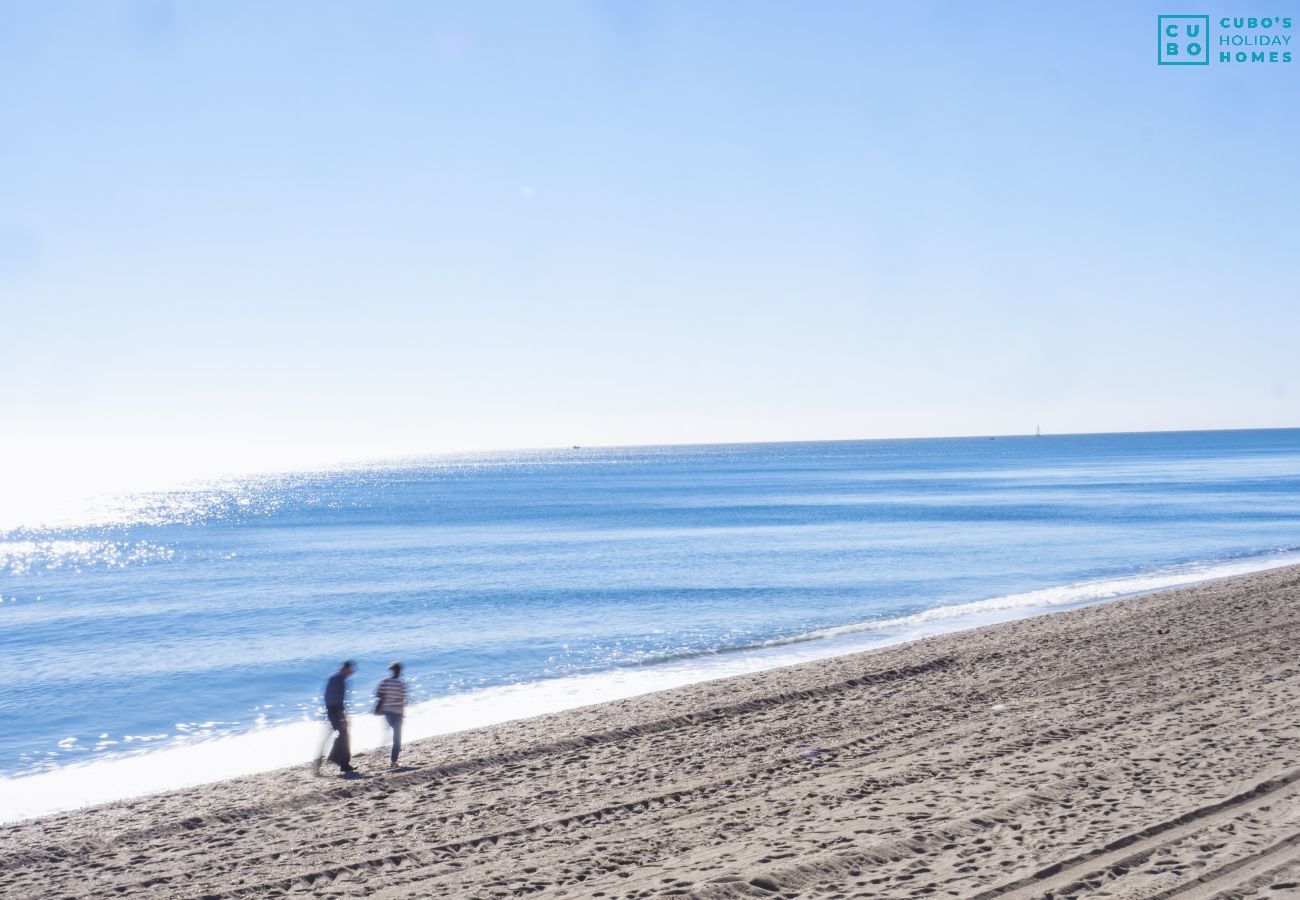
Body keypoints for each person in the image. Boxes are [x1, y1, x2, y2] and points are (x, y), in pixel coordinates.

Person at [318, 660, 357, 775]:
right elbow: (339, 701)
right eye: (350, 670)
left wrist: (329, 713)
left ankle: (337, 762)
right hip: (336, 711)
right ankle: (340, 761)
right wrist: (342, 717)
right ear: (346, 669)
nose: (351, 673)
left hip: (330, 710)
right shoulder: (340, 680)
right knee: (344, 735)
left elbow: (327, 697)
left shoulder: (333, 677)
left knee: (335, 736)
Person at [375, 661, 407, 768]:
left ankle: (380, 752)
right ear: (400, 671)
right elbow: (402, 699)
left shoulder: (385, 681)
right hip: (398, 712)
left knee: (390, 732)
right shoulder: (401, 683)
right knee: (397, 738)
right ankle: (393, 762)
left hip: (387, 712)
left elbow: (378, 693)